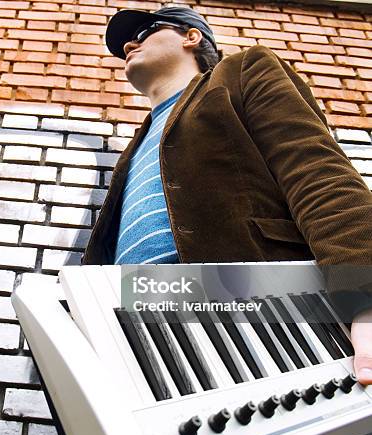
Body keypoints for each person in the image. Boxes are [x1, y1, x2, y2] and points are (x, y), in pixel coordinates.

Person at [83, 7, 372, 385]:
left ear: (191, 37)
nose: (128, 44)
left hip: (265, 323)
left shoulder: (243, 71)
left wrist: (364, 300)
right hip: (142, 341)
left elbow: (317, 174)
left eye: (148, 30)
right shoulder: (133, 150)